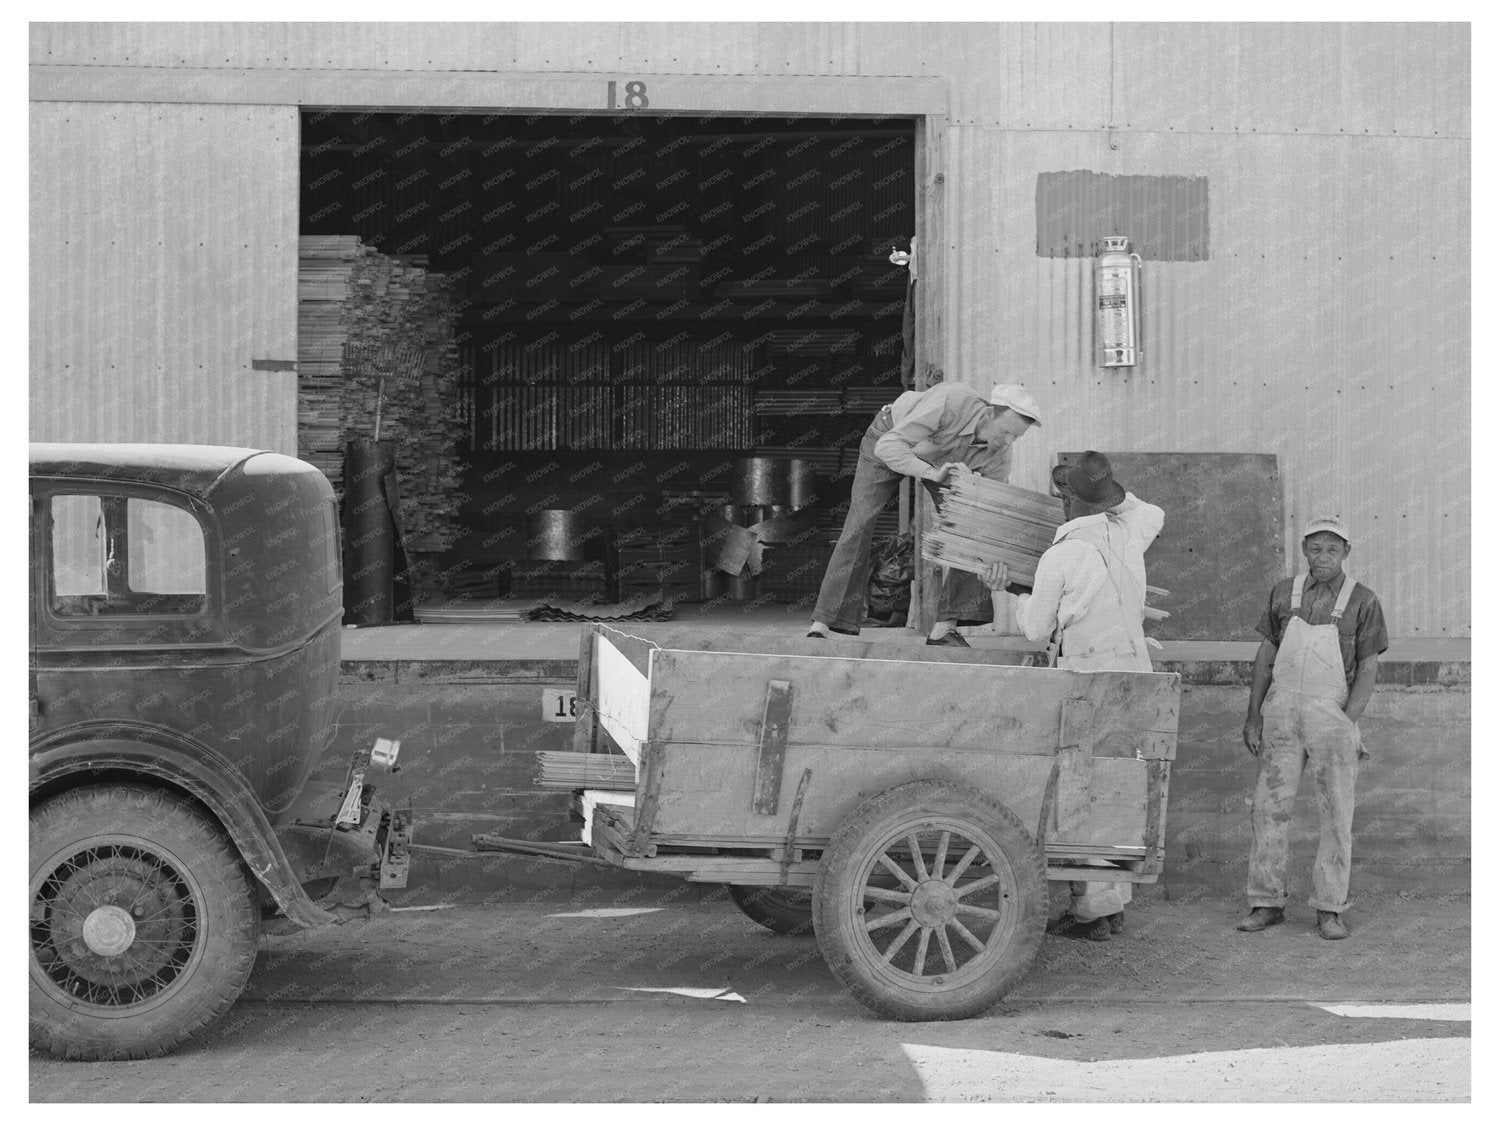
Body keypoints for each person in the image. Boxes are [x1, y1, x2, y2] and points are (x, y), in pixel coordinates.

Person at [983, 450, 1164, 941]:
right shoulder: (1128, 535)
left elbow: (1035, 628)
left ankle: (1093, 914)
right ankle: (1110, 906)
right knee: (1118, 785)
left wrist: (1006, 591)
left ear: (1065, 505)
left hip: (1085, 683)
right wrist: (1108, 491)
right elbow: (1150, 512)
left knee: (1080, 791)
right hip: (1134, 679)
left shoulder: (1059, 556)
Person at [1236, 516, 1387, 941]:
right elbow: (1266, 654)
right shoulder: (1285, 592)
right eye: (1315, 548)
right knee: (1267, 809)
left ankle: (1329, 908)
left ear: (1346, 553)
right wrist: (1254, 715)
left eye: (1332, 550)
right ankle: (1266, 902)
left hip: (1331, 714)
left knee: (1337, 814)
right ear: (1305, 550)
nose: (1323, 557)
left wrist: (1347, 722)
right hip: (1281, 710)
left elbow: (1370, 667)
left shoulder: (1363, 600)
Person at [807, 381, 1041, 644]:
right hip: (891, 439)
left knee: (970, 529)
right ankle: (823, 624)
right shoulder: (952, 401)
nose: (1009, 442)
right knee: (859, 523)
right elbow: (888, 446)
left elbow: (989, 515)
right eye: (1007, 432)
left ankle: (944, 629)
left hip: (940, 462)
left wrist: (1000, 566)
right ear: (988, 413)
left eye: (1016, 437)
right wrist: (930, 473)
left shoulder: (1000, 456)